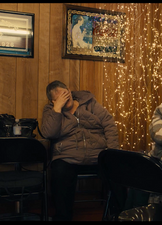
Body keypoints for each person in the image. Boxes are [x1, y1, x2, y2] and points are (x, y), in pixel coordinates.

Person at [41, 80, 119, 221]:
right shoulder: (50, 111)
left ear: (69, 91)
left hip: (97, 154)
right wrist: (57, 109)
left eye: (66, 93)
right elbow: (49, 133)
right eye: (59, 98)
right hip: (68, 156)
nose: (65, 98)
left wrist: (112, 152)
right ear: (53, 101)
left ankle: (118, 214)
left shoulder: (89, 103)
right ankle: (63, 217)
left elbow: (109, 124)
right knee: (59, 172)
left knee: (118, 170)